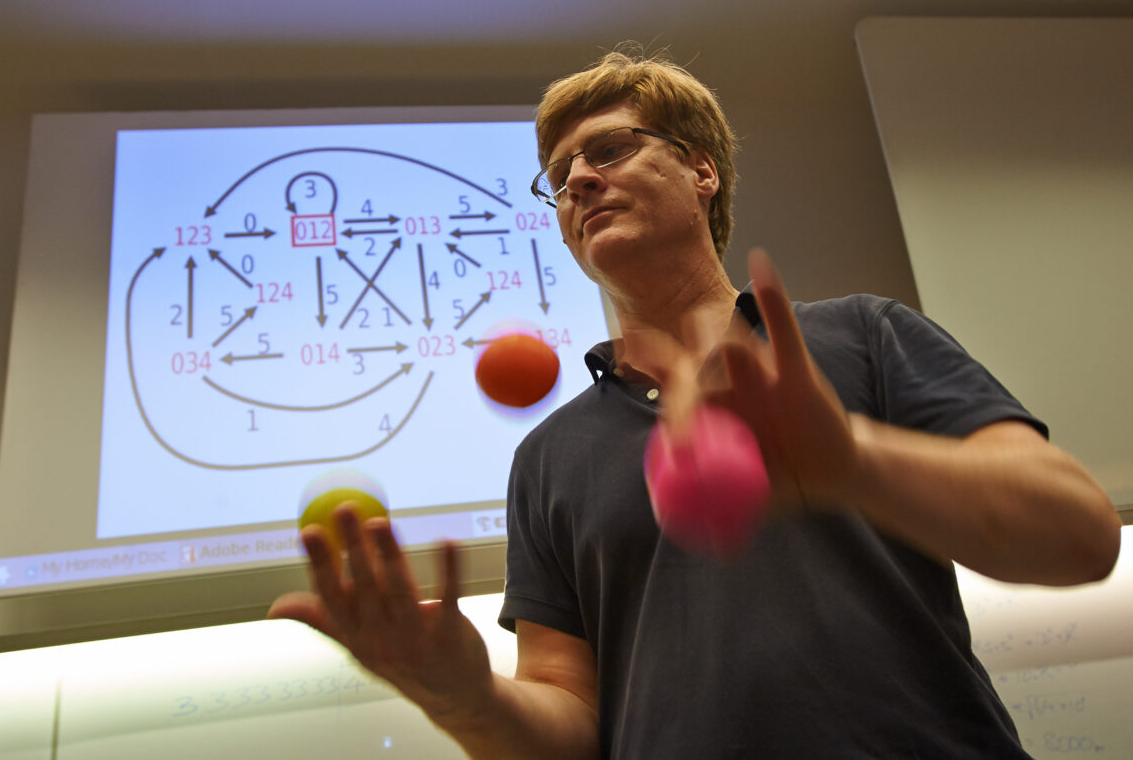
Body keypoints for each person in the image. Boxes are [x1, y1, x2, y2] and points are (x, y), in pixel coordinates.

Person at [269, 47, 1121, 758]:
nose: (577, 183)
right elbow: (566, 721)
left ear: (701, 169)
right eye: (558, 177)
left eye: (607, 151)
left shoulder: (864, 336)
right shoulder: (548, 458)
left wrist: (851, 461)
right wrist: (461, 698)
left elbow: (1078, 537)